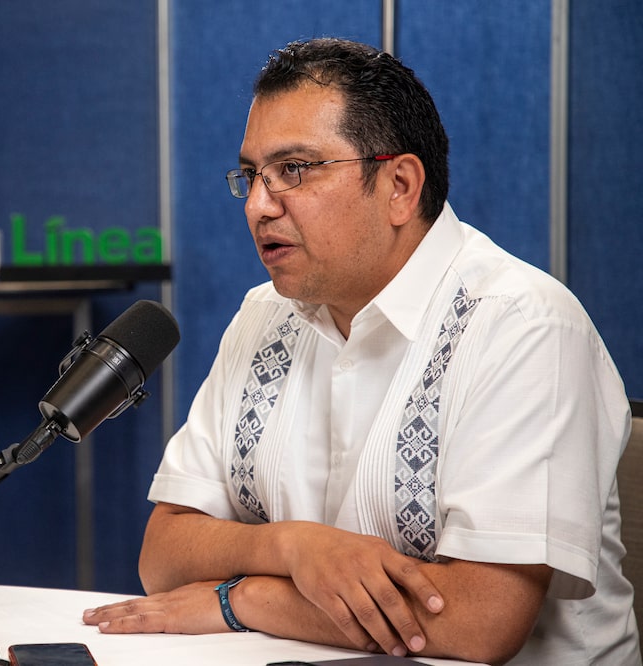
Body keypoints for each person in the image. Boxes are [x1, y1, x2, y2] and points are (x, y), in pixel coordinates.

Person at [81, 37, 641, 665]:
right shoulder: (261, 316)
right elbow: (163, 554)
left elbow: (480, 621)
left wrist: (240, 599)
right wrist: (296, 548)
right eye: (252, 176)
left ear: (400, 185)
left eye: (294, 170)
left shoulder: (524, 324)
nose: (261, 206)